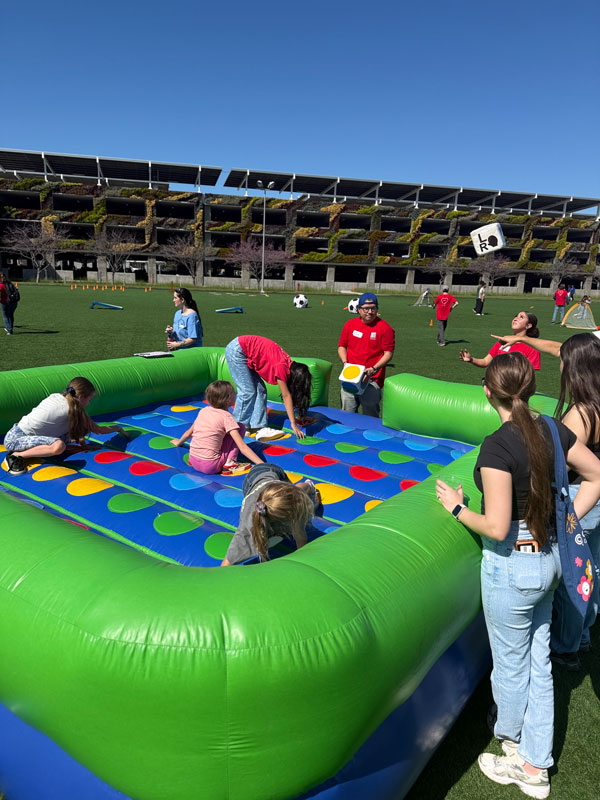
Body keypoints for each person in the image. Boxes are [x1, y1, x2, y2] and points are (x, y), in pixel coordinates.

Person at [436, 352, 600, 798]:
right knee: (538, 661)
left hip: (513, 566)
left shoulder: (497, 446)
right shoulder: (552, 427)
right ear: (529, 388)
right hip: (549, 560)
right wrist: (566, 522)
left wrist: (456, 506)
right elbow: (596, 474)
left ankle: (518, 750)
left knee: (511, 666)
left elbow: (496, 526)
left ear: (487, 391)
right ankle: (535, 757)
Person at [3, 377, 128, 476]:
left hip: (16, 433)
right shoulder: (72, 409)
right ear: (80, 397)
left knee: (81, 428)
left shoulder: (56, 396)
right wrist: (117, 428)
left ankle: (34, 451)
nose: (89, 403)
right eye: (89, 399)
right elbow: (98, 430)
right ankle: (16, 456)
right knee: (59, 446)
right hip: (16, 440)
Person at [221, 464, 322, 565]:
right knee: (296, 496)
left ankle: (309, 486)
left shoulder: (289, 501)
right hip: (251, 480)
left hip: (273, 473)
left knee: (298, 491)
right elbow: (226, 563)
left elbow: (300, 536)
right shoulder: (249, 529)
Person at [225, 335, 311, 440]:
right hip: (237, 351)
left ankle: (259, 427)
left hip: (245, 350)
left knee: (260, 390)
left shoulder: (288, 363)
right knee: (248, 391)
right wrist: (293, 424)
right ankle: (238, 427)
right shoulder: (281, 366)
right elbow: (286, 395)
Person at [170, 380, 263, 475]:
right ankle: (230, 463)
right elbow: (242, 447)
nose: (236, 395)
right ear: (228, 399)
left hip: (193, 460)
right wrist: (262, 464)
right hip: (211, 466)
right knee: (241, 427)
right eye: (233, 393)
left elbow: (189, 433)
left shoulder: (204, 411)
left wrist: (179, 443)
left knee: (226, 431)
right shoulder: (226, 417)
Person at [337, 292, 395, 417]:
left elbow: (388, 353)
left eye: (373, 308)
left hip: (371, 380)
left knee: (370, 416)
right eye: (366, 308)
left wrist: (374, 368)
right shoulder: (350, 325)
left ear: (377, 309)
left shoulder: (385, 328)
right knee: (347, 414)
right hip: (350, 377)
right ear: (358, 309)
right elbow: (342, 346)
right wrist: (345, 362)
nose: (370, 312)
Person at [460, 312, 541, 370]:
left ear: (528, 325)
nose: (515, 319)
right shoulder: (503, 340)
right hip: (495, 386)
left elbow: (529, 375)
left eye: (521, 317)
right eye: (516, 316)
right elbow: (485, 362)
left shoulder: (532, 347)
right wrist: (471, 359)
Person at [0, 271, 19, 336]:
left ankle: (9, 329)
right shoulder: (11, 283)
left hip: (5, 302)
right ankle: (10, 328)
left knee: (5, 316)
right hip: (14, 302)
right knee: (11, 315)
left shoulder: (1, 285)